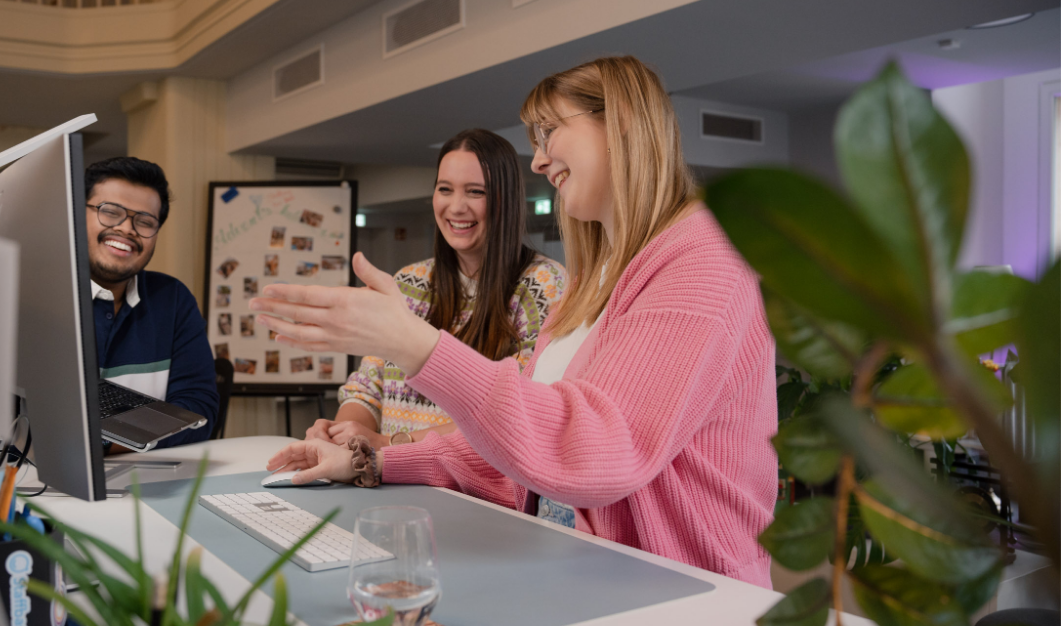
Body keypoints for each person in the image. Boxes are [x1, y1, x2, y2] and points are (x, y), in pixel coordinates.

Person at [253, 57, 777, 587]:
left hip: (686, 594)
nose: (541, 160)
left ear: (620, 121)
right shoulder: (590, 280)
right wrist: (370, 461)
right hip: (579, 573)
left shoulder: (702, 260)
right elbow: (515, 450)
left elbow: (596, 450)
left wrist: (418, 346)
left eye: (550, 133)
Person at [306, 129, 566, 449]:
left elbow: (522, 411)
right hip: (389, 481)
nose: (456, 207)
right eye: (445, 189)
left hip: (474, 492)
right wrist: (341, 432)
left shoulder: (543, 286)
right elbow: (368, 388)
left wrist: (391, 443)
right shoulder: (407, 283)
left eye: (475, 192)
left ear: (506, 199)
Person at [85, 157, 218, 450]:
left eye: (145, 221)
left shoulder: (172, 300)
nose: (128, 229)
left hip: (147, 481)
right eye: (110, 212)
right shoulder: (31, 298)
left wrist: (103, 443)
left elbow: (197, 411)